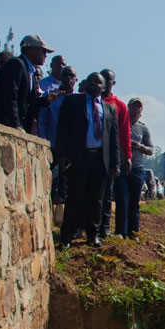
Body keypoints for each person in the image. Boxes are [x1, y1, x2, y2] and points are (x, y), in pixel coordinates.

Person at [55, 72, 120, 250]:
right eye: (89, 81)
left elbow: (113, 139)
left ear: (103, 87)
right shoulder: (72, 102)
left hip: (100, 160)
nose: (92, 84)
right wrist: (61, 154)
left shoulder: (109, 109)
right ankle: (67, 236)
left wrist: (115, 164)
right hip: (78, 158)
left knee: (96, 200)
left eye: (96, 82)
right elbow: (62, 129)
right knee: (75, 197)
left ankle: (93, 235)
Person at [0, 33, 53, 133]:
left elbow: (26, 102)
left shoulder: (30, 72)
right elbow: (10, 95)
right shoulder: (16, 64)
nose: (45, 55)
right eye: (44, 51)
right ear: (33, 50)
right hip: (5, 124)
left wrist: (45, 100)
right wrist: (15, 124)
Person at [114, 97, 154, 241]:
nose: (135, 109)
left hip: (137, 168)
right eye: (133, 106)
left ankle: (133, 233)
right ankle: (120, 232)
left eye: (138, 107)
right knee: (122, 200)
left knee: (134, 203)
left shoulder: (143, 128)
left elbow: (151, 150)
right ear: (128, 107)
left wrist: (140, 146)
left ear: (141, 111)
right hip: (121, 167)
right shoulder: (120, 124)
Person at [98, 68, 131, 238]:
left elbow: (124, 133)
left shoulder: (119, 106)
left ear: (113, 83)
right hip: (94, 152)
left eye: (107, 80)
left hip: (111, 155)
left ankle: (104, 228)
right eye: (101, 79)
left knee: (108, 193)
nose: (104, 83)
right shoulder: (90, 101)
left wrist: (128, 156)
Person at [38, 65, 77, 203]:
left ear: (76, 80)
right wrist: (43, 140)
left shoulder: (79, 100)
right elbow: (42, 120)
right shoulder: (51, 95)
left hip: (71, 146)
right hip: (52, 143)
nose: (68, 78)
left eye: (71, 76)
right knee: (49, 178)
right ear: (60, 77)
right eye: (65, 75)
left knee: (67, 180)